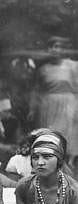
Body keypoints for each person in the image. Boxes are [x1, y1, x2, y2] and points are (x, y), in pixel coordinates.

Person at [31, 36, 78, 167]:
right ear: (47, 49)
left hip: (68, 104)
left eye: (58, 47)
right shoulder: (43, 69)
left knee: (68, 133)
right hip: (50, 106)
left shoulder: (72, 66)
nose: (55, 50)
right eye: (52, 47)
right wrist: (33, 108)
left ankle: (70, 163)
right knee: (53, 134)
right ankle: (55, 161)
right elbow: (37, 91)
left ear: (62, 49)